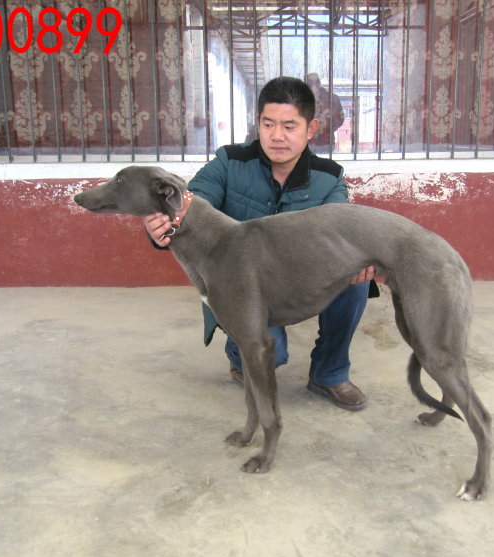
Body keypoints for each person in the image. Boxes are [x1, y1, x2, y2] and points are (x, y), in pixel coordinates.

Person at [143, 76, 377, 412]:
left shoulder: (329, 178)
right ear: (258, 123)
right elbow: (192, 204)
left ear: (311, 129)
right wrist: (167, 225)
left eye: (289, 126)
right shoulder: (230, 162)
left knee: (355, 281)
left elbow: (341, 232)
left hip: (297, 277)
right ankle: (239, 354)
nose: (277, 135)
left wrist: (356, 260)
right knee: (271, 353)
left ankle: (329, 374)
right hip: (241, 285)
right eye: (268, 124)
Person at [306, 73, 345, 154]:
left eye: (316, 82)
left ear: (319, 83)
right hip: (305, 144)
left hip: (326, 143)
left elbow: (340, 118)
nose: (313, 85)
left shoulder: (332, 98)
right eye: (310, 82)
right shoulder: (298, 99)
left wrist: (327, 129)